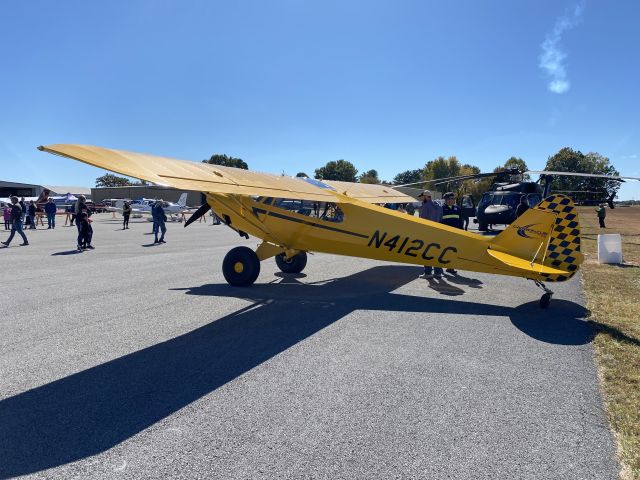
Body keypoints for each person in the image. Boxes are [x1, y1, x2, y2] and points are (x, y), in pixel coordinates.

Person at [417, 190, 443, 279]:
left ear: (426, 197)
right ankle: (438, 272)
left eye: (422, 197)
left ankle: (428, 273)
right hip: (438, 233)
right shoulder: (438, 206)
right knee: (436, 252)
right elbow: (440, 218)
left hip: (427, 233)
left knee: (426, 253)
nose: (421, 198)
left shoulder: (425, 205)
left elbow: (423, 220)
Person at [440, 192, 464, 274]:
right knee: (442, 251)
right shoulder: (441, 209)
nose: (453, 200)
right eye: (451, 199)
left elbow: (461, 221)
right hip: (444, 235)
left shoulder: (457, 208)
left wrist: (462, 231)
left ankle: (450, 267)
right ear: (446, 200)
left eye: (453, 199)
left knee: (453, 251)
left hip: (455, 235)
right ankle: (439, 268)